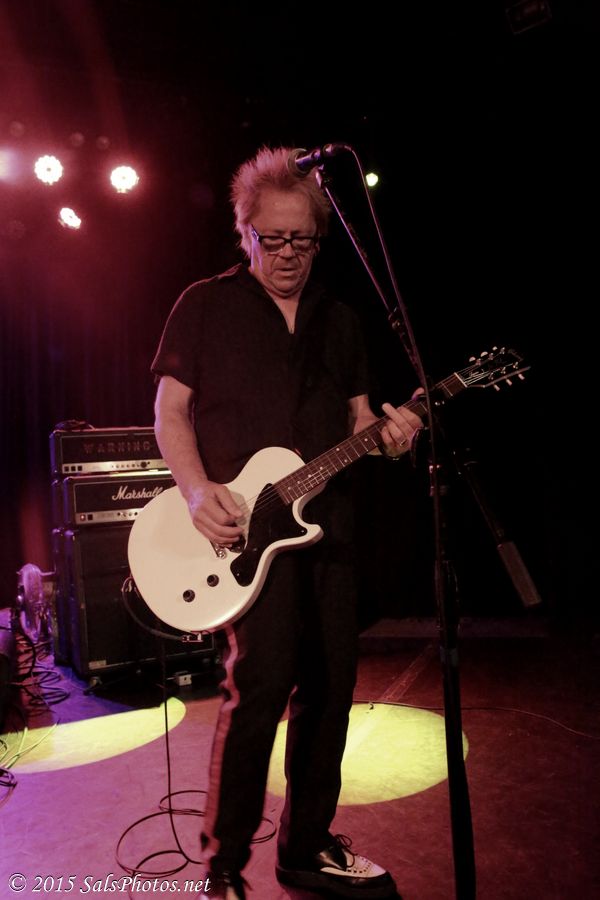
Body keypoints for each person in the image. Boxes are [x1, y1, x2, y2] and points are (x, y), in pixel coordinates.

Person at [151, 146, 422, 899]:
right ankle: (224, 863)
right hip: (245, 533)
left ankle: (305, 848)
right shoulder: (204, 305)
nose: (288, 254)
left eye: (302, 239)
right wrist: (196, 491)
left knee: (331, 691)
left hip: (327, 527)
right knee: (261, 687)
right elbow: (170, 412)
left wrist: (394, 436)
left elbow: (361, 421)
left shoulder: (340, 320)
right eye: (271, 239)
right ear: (244, 232)